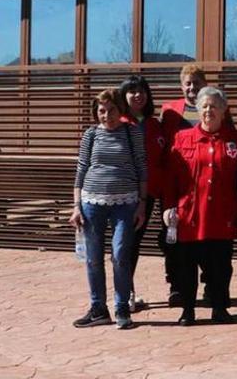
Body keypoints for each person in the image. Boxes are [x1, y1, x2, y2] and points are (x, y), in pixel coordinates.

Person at [162, 86, 237, 326]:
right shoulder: (182, 138)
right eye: (205, 106)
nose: (209, 110)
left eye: (214, 106)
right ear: (198, 110)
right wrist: (168, 206)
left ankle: (220, 308)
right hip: (189, 215)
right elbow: (170, 178)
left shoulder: (236, 140)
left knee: (220, 266)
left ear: (224, 110)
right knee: (186, 267)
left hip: (221, 214)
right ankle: (188, 310)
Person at [70, 89, 148, 330]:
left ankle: (122, 307)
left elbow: (142, 168)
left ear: (120, 110)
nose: (107, 116)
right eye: (101, 111)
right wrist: (76, 206)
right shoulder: (91, 135)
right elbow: (81, 170)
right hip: (91, 203)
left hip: (125, 203)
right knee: (93, 259)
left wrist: (142, 204)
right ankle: (98, 309)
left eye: (111, 110)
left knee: (120, 255)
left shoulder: (131, 132)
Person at [158, 64, 208, 306]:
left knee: (207, 237)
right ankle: (176, 286)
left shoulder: (214, 105)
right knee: (173, 236)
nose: (192, 87)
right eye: (188, 83)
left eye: (196, 82)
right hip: (176, 184)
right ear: (181, 86)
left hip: (206, 185)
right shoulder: (170, 111)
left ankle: (211, 283)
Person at [117, 75, 163, 312]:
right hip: (126, 195)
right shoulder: (120, 123)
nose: (138, 95)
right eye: (132, 91)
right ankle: (124, 295)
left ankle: (126, 291)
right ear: (123, 95)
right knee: (126, 244)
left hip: (149, 193)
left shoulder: (154, 124)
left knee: (133, 243)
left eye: (142, 90)